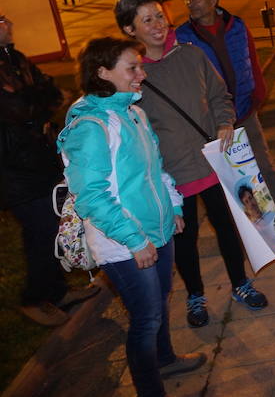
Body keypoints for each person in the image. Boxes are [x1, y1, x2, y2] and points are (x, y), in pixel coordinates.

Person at [57, 37, 206, 397]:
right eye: (132, 67)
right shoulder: (90, 127)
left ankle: (165, 359)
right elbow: (92, 196)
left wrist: (173, 207)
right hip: (122, 242)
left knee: (159, 303)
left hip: (156, 229)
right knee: (145, 318)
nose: (142, 73)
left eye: (140, 66)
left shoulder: (133, 112)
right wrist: (135, 240)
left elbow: (156, 167)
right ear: (102, 73)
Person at [115, 0, 268, 328]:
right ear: (129, 29)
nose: (158, 24)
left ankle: (240, 283)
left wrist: (225, 121)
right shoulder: (131, 75)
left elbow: (219, 96)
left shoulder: (192, 54)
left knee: (228, 228)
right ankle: (195, 295)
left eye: (159, 15)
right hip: (172, 175)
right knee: (185, 239)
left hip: (212, 162)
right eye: (146, 20)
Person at [176, 0, 275, 230]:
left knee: (264, 165)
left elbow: (252, 60)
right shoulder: (183, 36)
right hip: (213, 120)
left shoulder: (237, 26)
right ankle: (252, 224)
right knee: (230, 176)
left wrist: (258, 94)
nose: (191, 3)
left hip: (245, 111)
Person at [0, 13, 99, 326]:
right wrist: (35, 105)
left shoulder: (15, 59)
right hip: (13, 169)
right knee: (40, 230)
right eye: (1, 21)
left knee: (55, 225)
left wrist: (35, 103)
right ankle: (34, 298)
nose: (8, 24)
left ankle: (57, 291)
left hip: (39, 158)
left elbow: (52, 91)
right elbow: (18, 111)